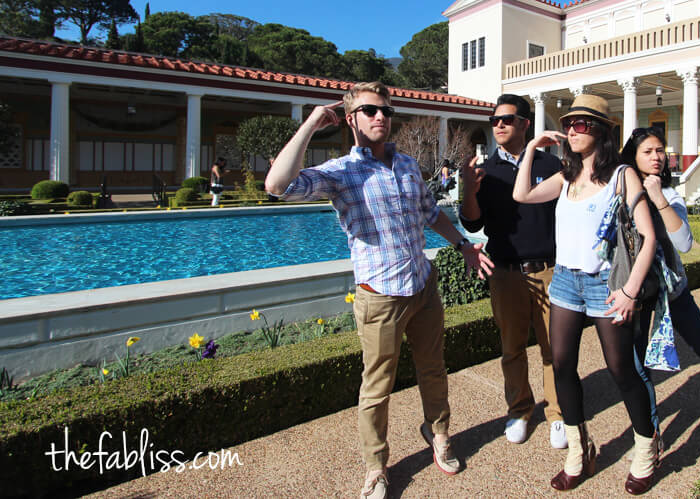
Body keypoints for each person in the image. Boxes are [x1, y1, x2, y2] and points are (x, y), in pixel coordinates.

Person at [264, 81, 494, 499]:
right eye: (370, 111)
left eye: (386, 111)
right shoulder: (340, 173)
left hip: (423, 287)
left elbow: (430, 214)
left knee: (433, 369)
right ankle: (376, 466)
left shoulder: (406, 165)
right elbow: (277, 185)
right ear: (351, 119)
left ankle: (438, 432)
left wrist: (462, 244)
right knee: (376, 388)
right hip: (380, 296)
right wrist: (313, 122)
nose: (380, 118)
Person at [512, 94, 660, 495]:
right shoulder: (566, 175)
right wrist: (529, 149)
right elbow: (522, 196)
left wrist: (630, 291)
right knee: (562, 368)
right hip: (564, 282)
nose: (573, 130)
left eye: (583, 124)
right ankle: (580, 451)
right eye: (570, 124)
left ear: (601, 132)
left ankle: (647, 447)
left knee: (621, 371)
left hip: (605, 286)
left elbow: (648, 238)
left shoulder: (622, 175)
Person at [620, 127, 700, 449]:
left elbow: (685, 243)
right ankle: (652, 434)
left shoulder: (671, 195)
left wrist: (659, 197)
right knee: (638, 365)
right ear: (633, 156)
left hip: (671, 290)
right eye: (648, 151)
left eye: (660, 150)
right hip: (638, 292)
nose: (657, 157)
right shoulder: (622, 192)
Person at [459, 94, 567, 449]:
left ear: (525, 123)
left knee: (554, 348)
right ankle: (520, 410)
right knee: (512, 348)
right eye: (495, 120)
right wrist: (469, 191)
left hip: (549, 269)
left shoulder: (551, 166)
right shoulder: (486, 171)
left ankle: (557, 413)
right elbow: (472, 222)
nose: (499, 125)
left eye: (507, 119)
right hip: (505, 272)